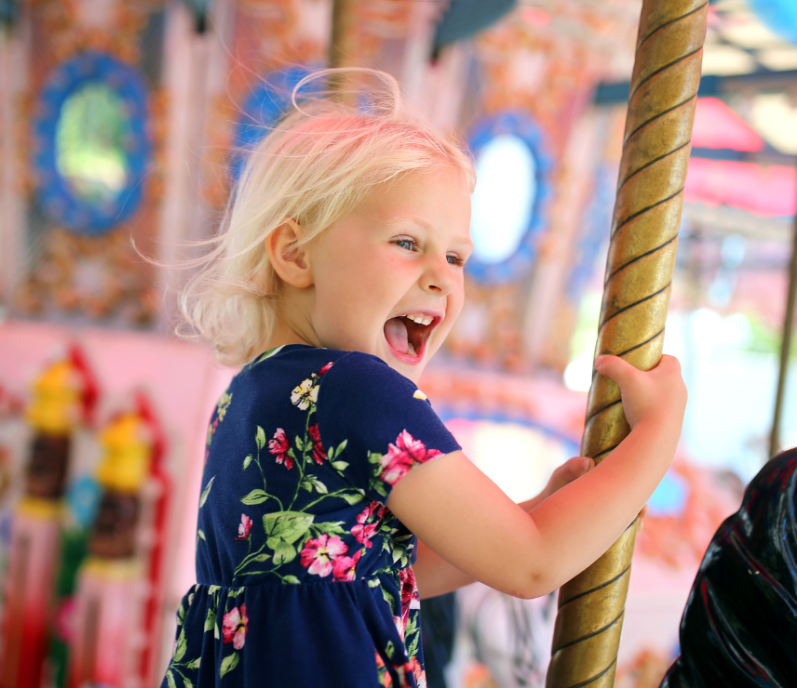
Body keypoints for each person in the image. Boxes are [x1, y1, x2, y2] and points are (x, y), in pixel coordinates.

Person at [162, 68, 686, 688]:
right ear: (296, 255)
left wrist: (532, 510)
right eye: (408, 242)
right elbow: (533, 564)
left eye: (457, 256)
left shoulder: (248, 395)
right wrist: (658, 433)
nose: (441, 276)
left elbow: (380, 569)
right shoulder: (356, 387)